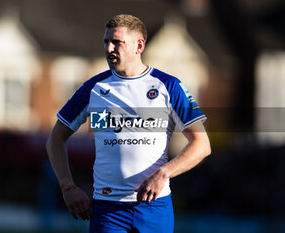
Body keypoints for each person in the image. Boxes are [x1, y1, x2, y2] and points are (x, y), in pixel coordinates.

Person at [46, 14, 211, 233]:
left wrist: (163, 173)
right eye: (106, 42)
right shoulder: (93, 88)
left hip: (154, 208)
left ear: (139, 45)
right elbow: (56, 138)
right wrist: (67, 186)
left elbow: (202, 144)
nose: (109, 48)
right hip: (107, 210)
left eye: (117, 42)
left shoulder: (168, 86)